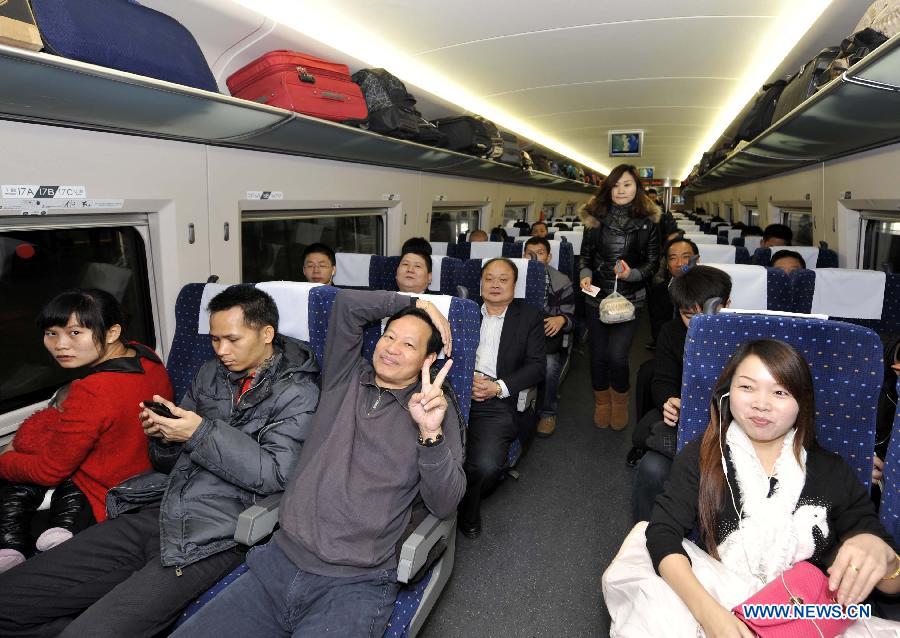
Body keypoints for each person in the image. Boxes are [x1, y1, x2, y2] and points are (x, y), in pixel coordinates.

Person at [0, 285, 320, 637]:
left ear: (266, 334)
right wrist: (164, 436)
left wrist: (198, 433)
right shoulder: (211, 373)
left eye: (232, 339)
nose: (221, 351)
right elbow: (168, 461)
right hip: (161, 506)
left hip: (217, 533)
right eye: (214, 340)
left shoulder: (299, 392)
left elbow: (277, 474)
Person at [172, 289, 465, 638]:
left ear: (428, 359)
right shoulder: (345, 377)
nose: (391, 348)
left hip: (356, 582)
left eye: (408, 345)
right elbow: (346, 306)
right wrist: (417, 303)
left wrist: (430, 435)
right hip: (278, 563)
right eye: (388, 336)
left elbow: (445, 504)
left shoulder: (436, 410)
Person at [606, 339, 900, 636]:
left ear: (802, 403)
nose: (761, 403)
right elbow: (663, 533)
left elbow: (892, 584)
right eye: (747, 387)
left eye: (780, 392)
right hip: (720, 597)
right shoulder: (704, 456)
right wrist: (710, 615)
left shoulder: (831, 470)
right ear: (727, 392)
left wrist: (884, 558)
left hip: (806, 612)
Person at [0, 288, 172, 573]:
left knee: (15, 476)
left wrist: (5, 459)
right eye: (51, 333)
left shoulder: (92, 391)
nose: (60, 345)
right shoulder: (146, 356)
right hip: (137, 472)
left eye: (75, 333)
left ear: (112, 332)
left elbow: (49, 472)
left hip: (100, 494)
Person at [631, 266, 731, 522]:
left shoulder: (743, 336)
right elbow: (662, 380)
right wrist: (669, 401)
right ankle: (646, 535)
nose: (699, 324)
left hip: (732, 427)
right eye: (689, 316)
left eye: (709, 313)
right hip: (688, 421)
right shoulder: (672, 332)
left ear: (727, 304)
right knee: (652, 469)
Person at [460, 258, 545, 538]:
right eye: (489, 278)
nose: (495, 284)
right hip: (456, 391)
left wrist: (497, 387)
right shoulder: (463, 311)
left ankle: (467, 508)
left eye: (503, 279)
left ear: (514, 285)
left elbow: (536, 366)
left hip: (496, 399)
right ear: (481, 283)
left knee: (485, 466)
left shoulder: (530, 316)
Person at [579, 163, 660, 429]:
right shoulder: (594, 218)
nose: (621, 190)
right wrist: (585, 275)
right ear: (608, 188)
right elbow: (586, 257)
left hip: (630, 298)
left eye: (627, 184)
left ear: (637, 187)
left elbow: (652, 264)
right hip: (596, 296)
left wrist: (631, 275)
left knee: (617, 355)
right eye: (616, 185)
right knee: (598, 354)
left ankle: (620, 400)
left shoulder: (648, 222)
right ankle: (602, 401)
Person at [524, 238, 575, 437]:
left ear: (549, 257)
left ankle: (548, 412)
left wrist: (561, 319)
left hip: (545, 339)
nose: (535, 257)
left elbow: (571, 317)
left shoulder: (561, 281)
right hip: (518, 335)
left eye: (540, 252)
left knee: (549, 365)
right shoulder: (511, 277)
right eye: (529, 253)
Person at [647, 237, 700, 348]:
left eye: (686, 257)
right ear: (667, 265)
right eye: (673, 258)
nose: (680, 263)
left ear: (697, 260)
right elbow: (658, 332)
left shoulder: (711, 289)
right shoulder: (659, 292)